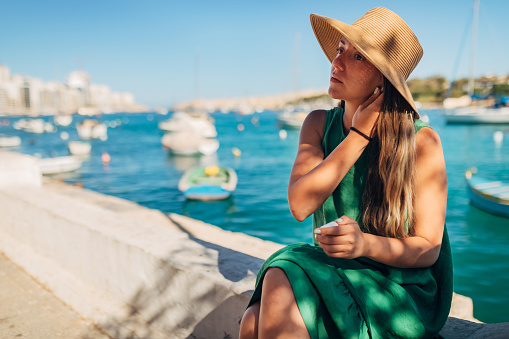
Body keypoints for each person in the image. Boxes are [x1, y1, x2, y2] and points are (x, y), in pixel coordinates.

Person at [239, 6, 453, 339]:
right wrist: (358, 136)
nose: (336, 63)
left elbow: (428, 248)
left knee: (280, 279)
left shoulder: (422, 142)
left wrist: (363, 244)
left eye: (358, 58)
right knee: (252, 321)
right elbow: (299, 205)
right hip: (337, 271)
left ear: (383, 80)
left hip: (397, 290)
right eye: (341, 50)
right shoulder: (317, 124)